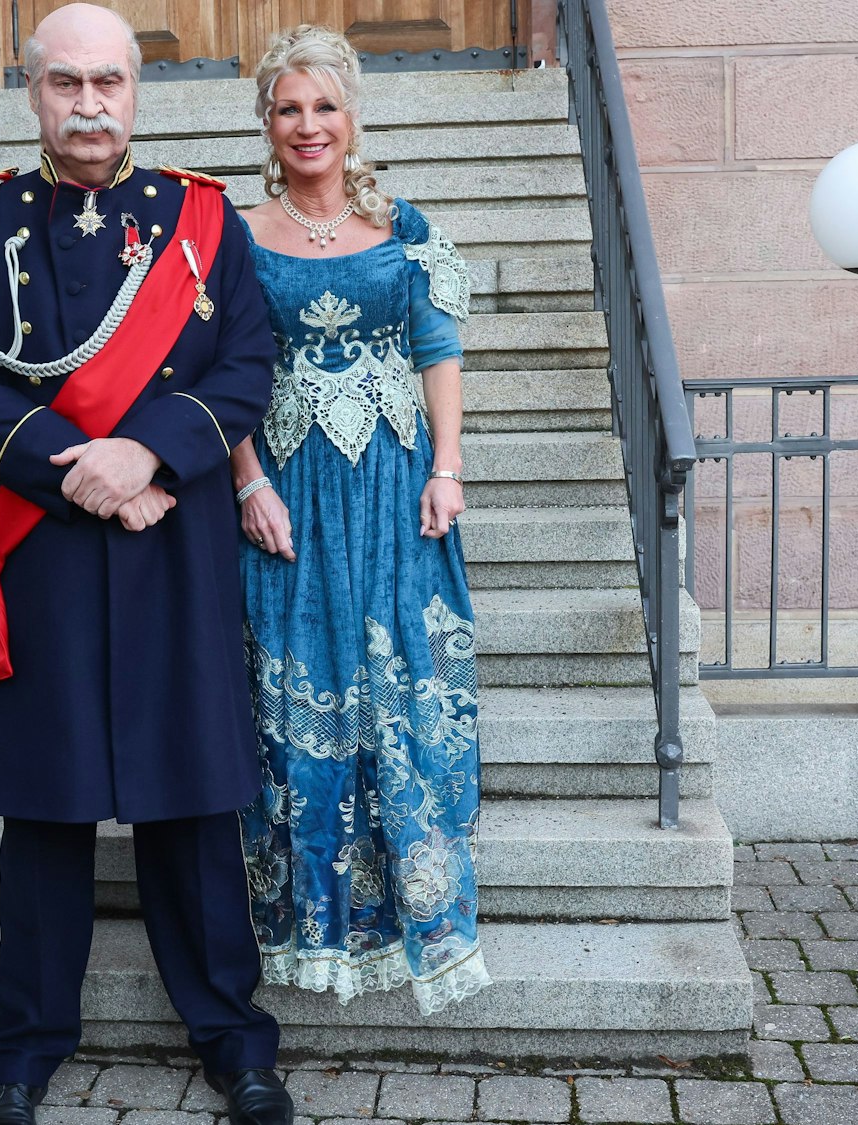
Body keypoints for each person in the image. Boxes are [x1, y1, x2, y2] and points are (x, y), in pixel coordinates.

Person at [0, 7, 292, 1124]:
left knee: (192, 797)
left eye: (108, 82)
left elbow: (247, 363)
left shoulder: (202, 217)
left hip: (173, 540)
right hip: (46, 544)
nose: (88, 104)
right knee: (46, 805)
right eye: (65, 82)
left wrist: (148, 455)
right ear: (31, 91)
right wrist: (81, 471)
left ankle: (235, 1041)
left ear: (136, 90)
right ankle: (21, 1052)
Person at [230, 24, 490, 1015]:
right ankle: (309, 929)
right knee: (295, 698)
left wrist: (447, 469)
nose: (309, 125)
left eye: (325, 106)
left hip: (393, 489)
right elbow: (221, 372)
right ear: (267, 122)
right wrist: (247, 481)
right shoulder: (234, 237)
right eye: (289, 108)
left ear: (352, 117)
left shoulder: (404, 226)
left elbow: (437, 348)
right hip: (288, 496)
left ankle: (415, 916)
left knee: (403, 692)